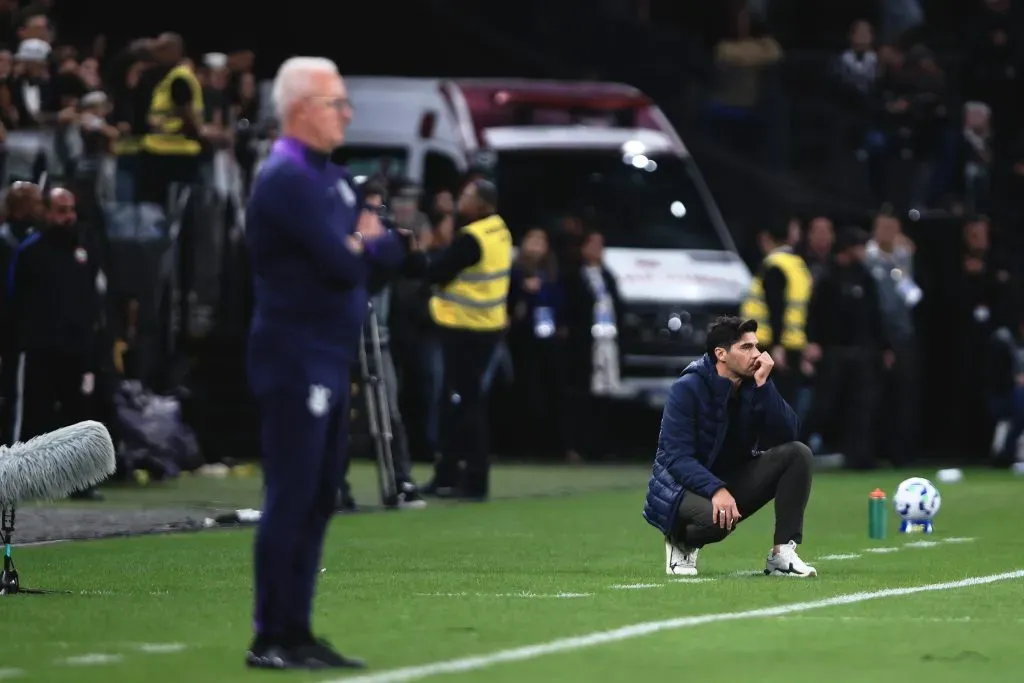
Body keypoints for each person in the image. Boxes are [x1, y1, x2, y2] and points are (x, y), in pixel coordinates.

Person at [243, 56, 404, 670]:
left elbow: (385, 254)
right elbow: (347, 263)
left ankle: (297, 628)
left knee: (317, 497)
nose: (347, 114)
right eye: (337, 104)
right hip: (293, 354)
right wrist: (363, 243)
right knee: (292, 492)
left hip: (329, 356)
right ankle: (271, 636)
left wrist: (361, 242)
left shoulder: (330, 177)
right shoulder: (286, 177)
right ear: (303, 110)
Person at [643, 316, 817, 578]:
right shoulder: (687, 388)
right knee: (718, 521)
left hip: (729, 479)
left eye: (756, 346)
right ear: (721, 354)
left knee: (797, 454)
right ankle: (681, 540)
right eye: (746, 348)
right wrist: (716, 491)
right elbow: (676, 459)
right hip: (682, 487)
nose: (757, 355)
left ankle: (782, 554)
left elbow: (789, 434)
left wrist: (764, 386)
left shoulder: (754, 384)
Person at [405, 178, 512, 500]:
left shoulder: (471, 238)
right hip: (487, 327)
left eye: (466, 196)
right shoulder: (500, 229)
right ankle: (451, 475)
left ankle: (468, 478)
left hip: (464, 329)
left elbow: (437, 270)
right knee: (465, 403)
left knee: (462, 405)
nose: (460, 200)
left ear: (481, 204)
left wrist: (414, 256)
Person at [1, 188, 106, 500]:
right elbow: (12, 301)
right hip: (38, 349)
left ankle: (82, 483)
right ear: (46, 212)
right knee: (33, 417)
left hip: (76, 348)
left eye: (70, 209)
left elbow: (94, 300)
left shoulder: (85, 250)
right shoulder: (29, 252)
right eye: (60, 210)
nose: (68, 217)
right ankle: (20, 482)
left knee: (79, 418)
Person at [740, 220, 813, 408]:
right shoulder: (799, 265)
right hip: (794, 346)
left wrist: (777, 346)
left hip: (770, 348)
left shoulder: (773, 265)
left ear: (765, 239)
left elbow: (776, 308)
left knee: (766, 408)